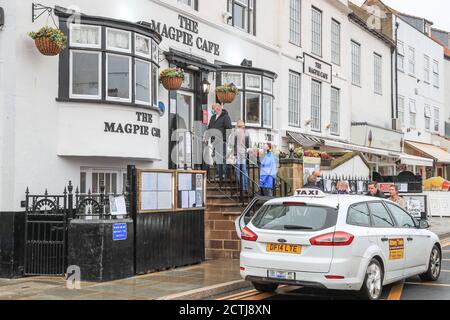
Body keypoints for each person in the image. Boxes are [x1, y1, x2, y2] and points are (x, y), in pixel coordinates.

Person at [207, 103, 232, 180]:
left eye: (213, 108)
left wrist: (225, 138)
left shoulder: (225, 117)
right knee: (216, 158)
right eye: (212, 109)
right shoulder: (212, 117)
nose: (213, 110)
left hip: (222, 140)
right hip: (214, 141)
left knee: (222, 158)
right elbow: (209, 128)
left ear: (218, 108)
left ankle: (224, 174)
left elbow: (229, 128)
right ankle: (218, 173)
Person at [230, 120, 251, 193]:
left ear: (237, 125)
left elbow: (231, 144)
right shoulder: (247, 133)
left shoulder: (235, 132)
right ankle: (246, 188)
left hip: (237, 154)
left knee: (238, 171)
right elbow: (249, 145)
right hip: (244, 153)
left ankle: (242, 188)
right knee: (244, 171)